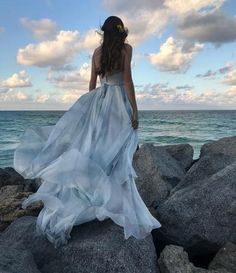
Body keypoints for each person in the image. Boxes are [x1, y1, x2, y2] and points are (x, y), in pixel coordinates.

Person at [14, 15, 161, 248]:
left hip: (100, 101)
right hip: (118, 100)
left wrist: (90, 109)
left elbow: (92, 84)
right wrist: (135, 111)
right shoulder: (126, 49)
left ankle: (91, 190)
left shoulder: (96, 54)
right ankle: (112, 192)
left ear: (104, 32)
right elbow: (128, 81)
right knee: (118, 148)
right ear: (121, 31)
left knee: (97, 146)